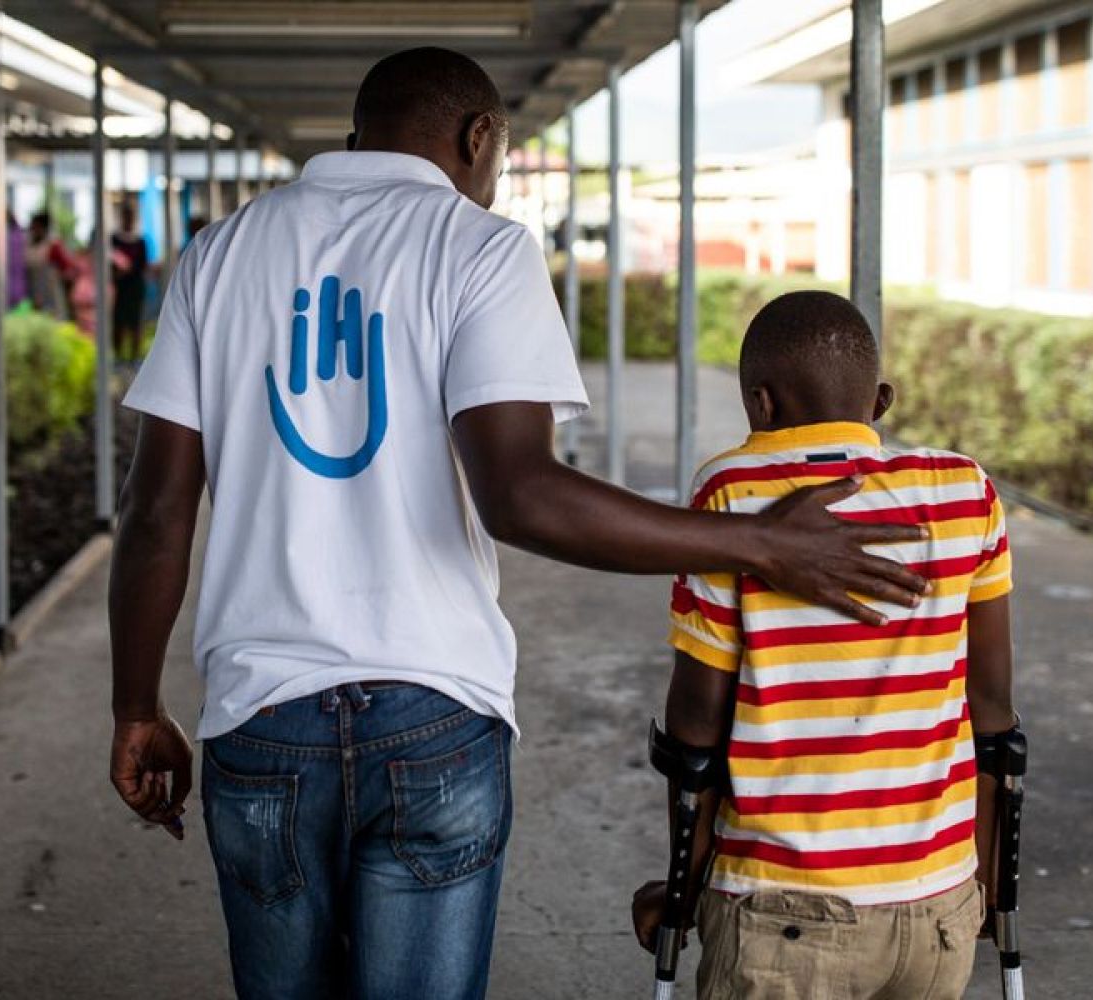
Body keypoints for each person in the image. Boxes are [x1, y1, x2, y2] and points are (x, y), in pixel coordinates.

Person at [106, 48, 932, 1000]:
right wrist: (760, 542)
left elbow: (157, 507)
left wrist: (136, 707)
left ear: (355, 137)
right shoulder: (480, 247)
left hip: (260, 714)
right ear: (479, 137)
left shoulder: (220, 253)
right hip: (433, 712)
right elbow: (523, 496)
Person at [629, 291, 1020, 1000]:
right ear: (881, 399)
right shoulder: (966, 493)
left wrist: (682, 892)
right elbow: (992, 713)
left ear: (761, 405)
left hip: (781, 910)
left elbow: (694, 733)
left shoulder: (733, 494)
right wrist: (985, 881)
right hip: (937, 907)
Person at [109, 203, 150, 360]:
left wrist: (129, 269)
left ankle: (134, 356)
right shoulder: (114, 239)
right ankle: (118, 356)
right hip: (120, 287)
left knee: (135, 322)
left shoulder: (140, 241)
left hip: (134, 287)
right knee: (118, 322)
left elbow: (142, 265)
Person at [24, 210, 75, 319]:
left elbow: (68, 269)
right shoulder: (28, 245)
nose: (32, 230)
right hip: (34, 292)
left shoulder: (53, 246)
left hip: (51, 292)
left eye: (35, 226)